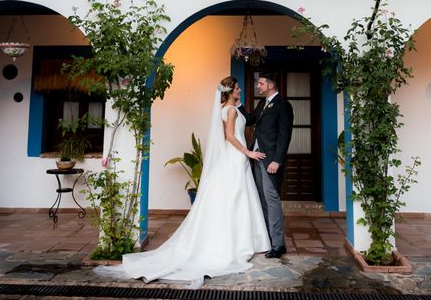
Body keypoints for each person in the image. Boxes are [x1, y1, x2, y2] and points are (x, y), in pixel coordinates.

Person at [94, 76, 270, 288]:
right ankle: (237, 243)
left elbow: (238, 123)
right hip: (235, 156)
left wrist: (240, 108)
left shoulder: (228, 108)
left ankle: (240, 240)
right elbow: (230, 136)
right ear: (230, 90)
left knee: (236, 198)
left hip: (233, 158)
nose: (240, 90)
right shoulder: (230, 111)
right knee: (235, 198)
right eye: (237, 88)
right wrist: (247, 152)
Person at [242, 72, 294, 259]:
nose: (258, 86)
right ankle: (267, 239)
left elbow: (284, 135)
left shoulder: (283, 105)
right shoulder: (262, 103)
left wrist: (277, 160)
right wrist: (235, 103)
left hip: (271, 159)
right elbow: (249, 120)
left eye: (261, 83)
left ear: (270, 85)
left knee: (272, 200)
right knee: (262, 199)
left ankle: (278, 245)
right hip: (257, 157)